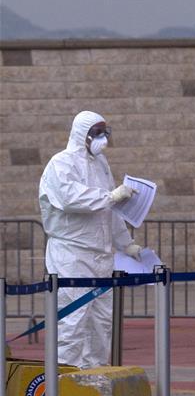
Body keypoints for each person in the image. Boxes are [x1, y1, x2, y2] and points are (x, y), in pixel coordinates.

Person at [38, 110, 142, 369]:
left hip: (101, 255)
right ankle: (63, 383)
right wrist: (111, 197)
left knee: (100, 323)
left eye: (105, 133)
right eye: (97, 133)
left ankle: (92, 380)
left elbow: (110, 210)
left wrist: (125, 243)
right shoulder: (61, 163)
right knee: (72, 321)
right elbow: (71, 198)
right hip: (72, 254)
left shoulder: (100, 164)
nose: (102, 139)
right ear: (82, 134)